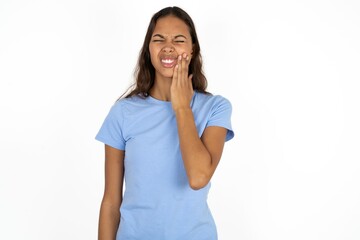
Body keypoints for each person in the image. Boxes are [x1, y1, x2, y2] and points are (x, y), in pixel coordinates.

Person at [95, 6, 234, 240]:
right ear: (149, 48)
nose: (168, 47)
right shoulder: (123, 112)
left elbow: (199, 177)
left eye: (178, 40)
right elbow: (110, 202)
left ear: (192, 49)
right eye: (158, 39)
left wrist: (181, 107)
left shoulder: (215, 108)